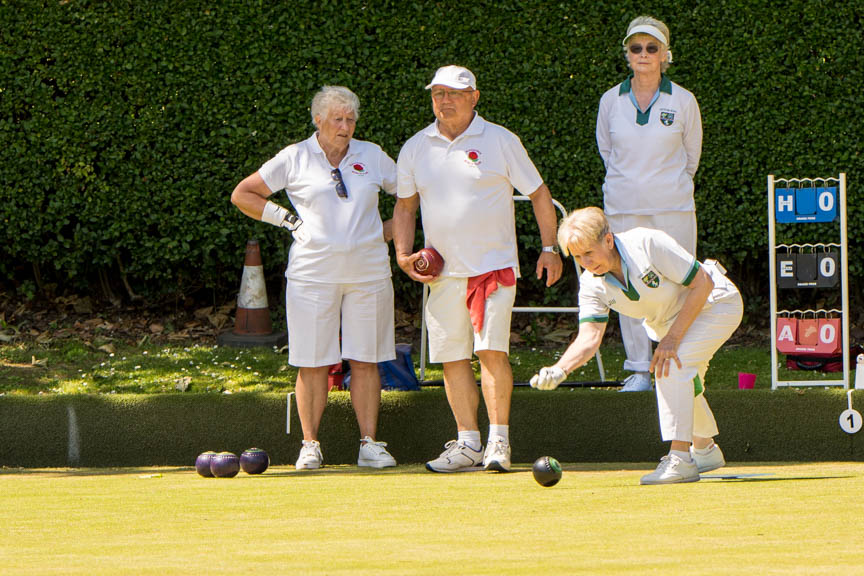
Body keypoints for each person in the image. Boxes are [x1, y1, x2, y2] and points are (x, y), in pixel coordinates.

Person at [393, 65, 563, 473]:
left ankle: (498, 442)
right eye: (437, 93)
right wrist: (402, 255)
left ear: (474, 97)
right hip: (442, 273)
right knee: (451, 357)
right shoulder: (415, 147)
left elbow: (539, 195)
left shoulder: (500, 140)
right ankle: (468, 442)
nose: (444, 101)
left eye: (453, 93)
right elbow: (404, 206)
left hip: (493, 268)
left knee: (491, 352)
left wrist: (549, 248)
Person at [231, 86, 398, 470]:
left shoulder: (371, 155)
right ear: (317, 120)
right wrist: (288, 220)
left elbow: (409, 195)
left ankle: (370, 444)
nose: (345, 126)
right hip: (311, 274)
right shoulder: (295, 156)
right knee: (312, 361)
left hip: (369, 273)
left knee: (367, 358)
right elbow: (244, 194)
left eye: (351, 119)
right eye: (337, 119)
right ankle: (310, 445)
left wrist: (389, 233)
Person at [530, 207, 742, 485]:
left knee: (670, 367)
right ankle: (704, 449)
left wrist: (671, 339)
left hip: (716, 305)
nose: (585, 262)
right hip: (674, 323)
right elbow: (590, 336)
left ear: (608, 240)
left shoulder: (647, 243)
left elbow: (702, 282)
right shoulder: (591, 284)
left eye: (589, 253)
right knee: (686, 381)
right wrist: (561, 369)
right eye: (578, 257)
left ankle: (680, 460)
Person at [596, 15, 703, 392]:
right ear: (627, 54)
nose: (643, 54)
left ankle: (677, 363)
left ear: (664, 55)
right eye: (636, 48)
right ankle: (640, 369)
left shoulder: (684, 100)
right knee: (629, 284)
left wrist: (663, 187)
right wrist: (634, 185)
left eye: (651, 48)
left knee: (680, 283)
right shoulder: (610, 100)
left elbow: (691, 158)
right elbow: (607, 153)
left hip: (672, 208)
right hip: (623, 207)